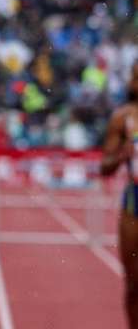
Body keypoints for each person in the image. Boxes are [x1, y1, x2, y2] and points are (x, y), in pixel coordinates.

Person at [100, 61, 138, 329]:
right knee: (135, 283)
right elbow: (104, 167)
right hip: (134, 205)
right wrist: (122, 152)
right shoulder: (123, 117)